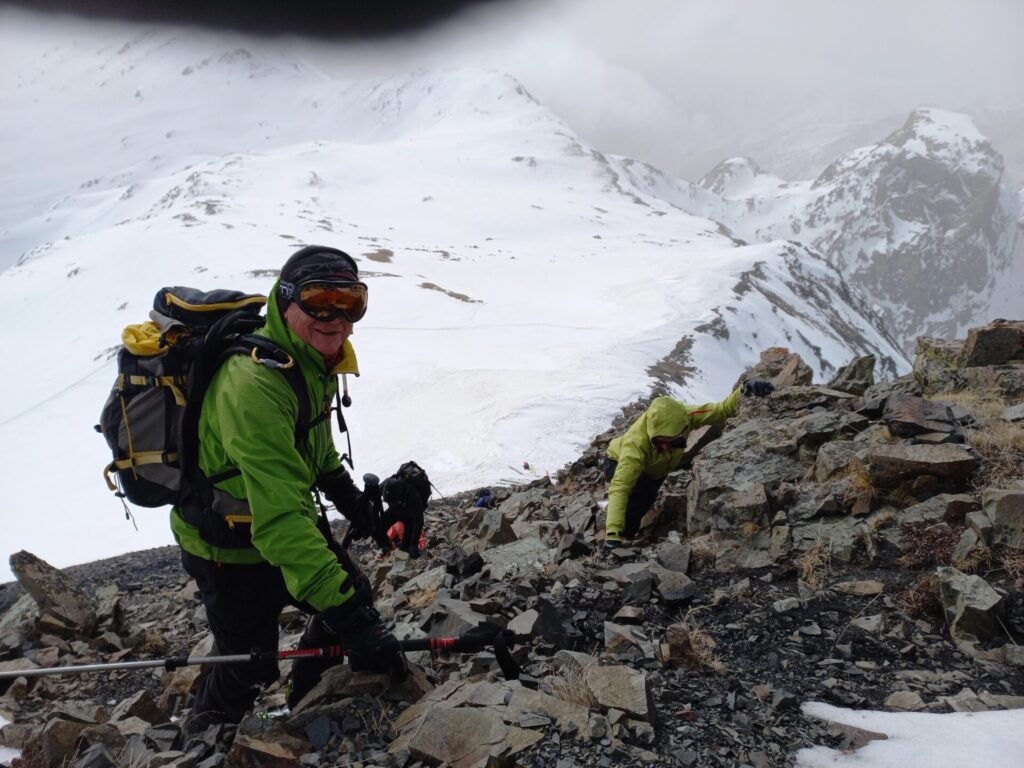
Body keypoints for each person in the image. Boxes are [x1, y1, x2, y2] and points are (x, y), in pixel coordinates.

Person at [170, 245, 406, 732]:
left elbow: (315, 448)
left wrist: (353, 504)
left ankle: (306, 706)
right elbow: (280, 522)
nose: (337, 319)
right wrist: (353, 620)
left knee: (350, 598)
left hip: (278, 521)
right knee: (247, 663)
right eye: (320, 300)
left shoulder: (308, 359)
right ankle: (201, 743)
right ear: (286, 300)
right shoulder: (254, 384)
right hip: (227, 545)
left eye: (352, 303)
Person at [602, 379, 775, 548]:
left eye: (673, 442)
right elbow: (621, 486)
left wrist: (744, 388)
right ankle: (618, 537)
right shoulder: (635, 444)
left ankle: (627, 533)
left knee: (647, 497)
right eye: (659, 442)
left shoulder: (686, 416)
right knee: (636, 491)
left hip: (655, 469)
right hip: (615, 461)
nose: (665, 447)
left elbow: (722, 410)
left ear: (682, 427)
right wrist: (613, 534)